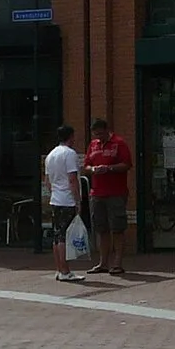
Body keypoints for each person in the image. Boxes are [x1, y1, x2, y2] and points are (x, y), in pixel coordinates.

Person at [83, 116, 135, 275]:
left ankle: (117, 262)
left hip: (115, 193)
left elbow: (127, 164)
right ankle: (102, 262)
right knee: (101, 228)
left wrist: (109, 168)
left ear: (107, 130)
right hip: (97, 192)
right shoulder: (93, 145)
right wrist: (92, 170)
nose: (99, 137)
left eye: (101, 134)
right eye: (96, 135)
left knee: (117, 228)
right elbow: (86, 165)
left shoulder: (119, 143)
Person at [44, 125, 83, 282]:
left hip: (55, 199)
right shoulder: (70, 154)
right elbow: (72, 179)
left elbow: (47, 181)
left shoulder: (51, 155)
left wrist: (54, 191)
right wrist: (78, 199)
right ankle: (66, 270)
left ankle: (59, 269)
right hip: (67, 199)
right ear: (70, 137)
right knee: (64, 236)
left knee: (57, 235)